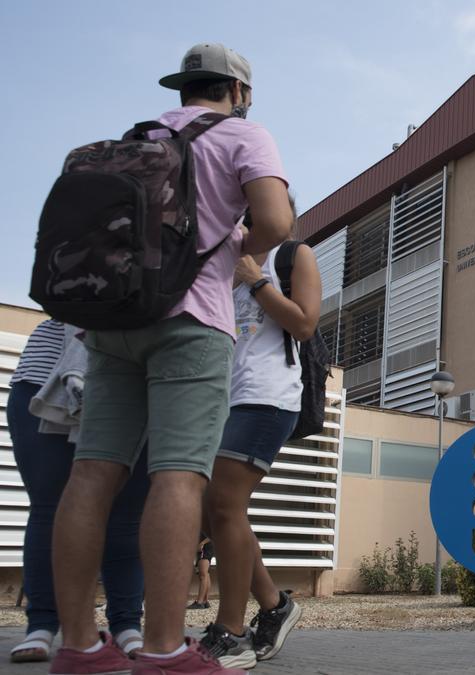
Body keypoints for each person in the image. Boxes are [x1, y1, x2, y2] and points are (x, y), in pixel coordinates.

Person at [48, 42, 292, 675]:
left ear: (184, 89)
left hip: (115, 321)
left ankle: (76, 645)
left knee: (93, 473)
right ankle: (163, 651)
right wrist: (240, 247)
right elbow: (275, 220)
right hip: (191, 323)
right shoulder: (244, 135)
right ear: (238, 91)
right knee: (180, 476)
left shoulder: (139, 138)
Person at [200, 223, 318, 668]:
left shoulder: (291, 256)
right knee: (215, 511)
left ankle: (231, 632)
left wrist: (257, 279)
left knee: (225, 503)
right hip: (223, 400)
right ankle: (273, 604)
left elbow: (304, 324)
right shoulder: (221, 267)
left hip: (267, 396)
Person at [7, 320, 150, 663]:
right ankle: (41, 624)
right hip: (49, 372)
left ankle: (127, 624)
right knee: (49, 506)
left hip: (138, 375)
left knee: (127, 513)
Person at [188, 533, 213, 610]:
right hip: (206, 545)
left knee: (203, 575)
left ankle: (199, 602)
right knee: (206, 574)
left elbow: (213, 533)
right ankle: (205, 601)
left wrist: (202, 543)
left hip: (204, 546)